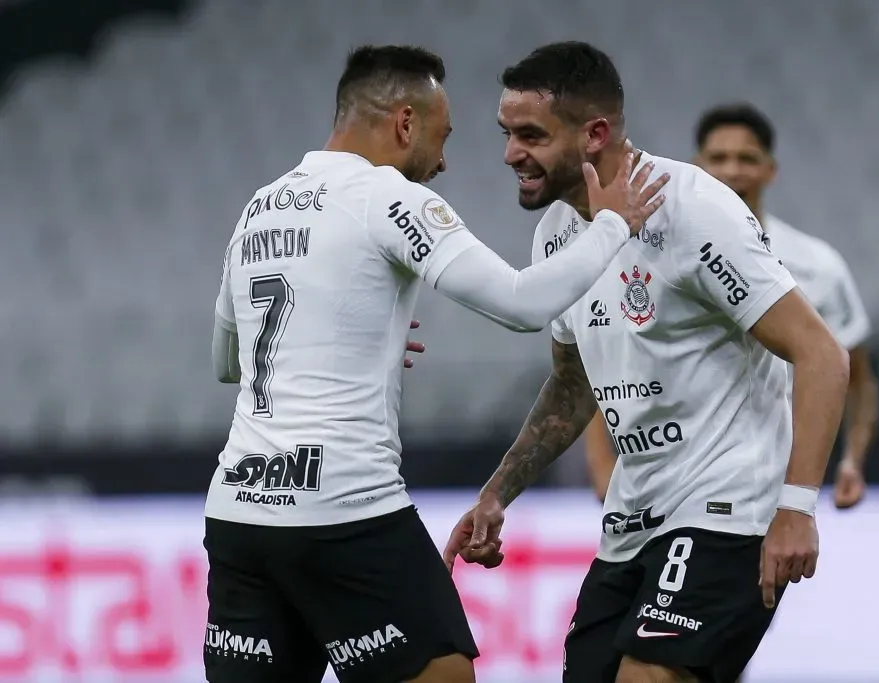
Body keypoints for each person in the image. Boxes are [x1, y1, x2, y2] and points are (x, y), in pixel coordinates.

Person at [204, 44, 668, 683]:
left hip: (239, 511)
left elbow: (230, 360)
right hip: (341, 504)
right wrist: (611, 225)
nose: (444, 162)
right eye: (442, 138)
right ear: (404, 123)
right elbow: (520, 303)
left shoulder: (259, 207)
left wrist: (361, 336)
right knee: (443, 673)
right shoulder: (386, 196)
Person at [442, 42, 850, 683]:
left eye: (530, 135)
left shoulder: (695, 211)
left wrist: (797, 507)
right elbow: (573, 384)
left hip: (728, 510)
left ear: (595, 133)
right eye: (507, 133)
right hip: (633, 522)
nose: (510, 154)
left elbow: (822, 354)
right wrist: (499, 493)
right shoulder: (556, 231)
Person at [584, 104, 879, 510]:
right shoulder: (657, 256)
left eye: (747, 159)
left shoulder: (818, 266)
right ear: (696, 167)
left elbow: (858, 379)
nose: (732, 170)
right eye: (718, 158)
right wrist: (603, 471)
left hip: (791, 479)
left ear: (770, 170)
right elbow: (616, 365)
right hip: (681, 475)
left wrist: (850, 461)